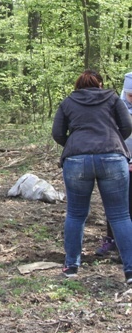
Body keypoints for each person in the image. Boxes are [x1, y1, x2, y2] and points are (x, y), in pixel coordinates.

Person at [52, 69, 132, 284]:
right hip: (113, 158)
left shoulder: (68, 102)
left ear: (78, 86)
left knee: (76, 214)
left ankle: (71, 266)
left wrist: (75, 143)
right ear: (100, 84)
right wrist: (114, 142)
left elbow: (57, 133)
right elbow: (127, 126)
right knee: (120, 215)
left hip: (77, 160)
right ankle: (130, 270)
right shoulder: (113, 98)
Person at [96, 72, 132, 257]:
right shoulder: (115, 108)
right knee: (115, 205)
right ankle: (113, 240)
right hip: (118, 163)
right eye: (130, 95)